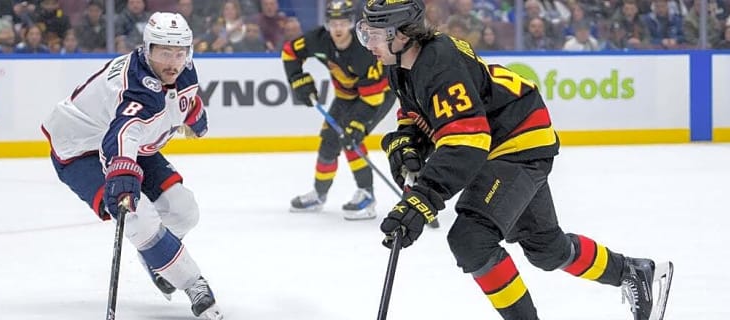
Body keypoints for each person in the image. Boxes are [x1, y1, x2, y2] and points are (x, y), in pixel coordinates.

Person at [357, 1, 674, 320]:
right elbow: (420, 113)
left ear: (401, 33)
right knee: (547, 249)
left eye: (374, 34)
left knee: (471, 239)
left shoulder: (439, 62)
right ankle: (633, 272)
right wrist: (406, 141)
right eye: (365, 33)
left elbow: (466, 142)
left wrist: (422, 199)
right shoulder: (401, 66)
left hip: (516, 140)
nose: (368, 44)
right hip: (506, 138)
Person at [41, 12, 222, 320]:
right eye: (164, 52)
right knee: (137, 216)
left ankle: (158, 259)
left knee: (183, 209)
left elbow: (184, 98)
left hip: (130, 140)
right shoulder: (135, 91)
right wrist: (123, 177)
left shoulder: (182, 70)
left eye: (179, 53)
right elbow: (121, 134)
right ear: (147, 49)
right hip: (80, 149)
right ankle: (193, 284)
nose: (173, 62)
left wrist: (194, 116)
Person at [281, 0, 395, 220]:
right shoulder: (318, 40)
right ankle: (319, 194)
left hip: (377, 96)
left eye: (344, 22)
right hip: (346, 96)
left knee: (352, 138)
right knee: (329, 142)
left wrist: (357, 124)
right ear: (327, 24)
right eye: (334, 23)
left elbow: (372, 99)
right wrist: (298, 80)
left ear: (352, 23)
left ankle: (367, 195)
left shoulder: (364, 52)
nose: (339, 28)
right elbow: (289, 52)